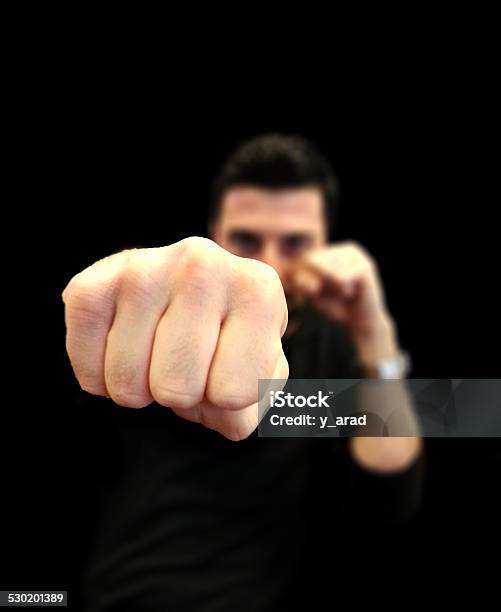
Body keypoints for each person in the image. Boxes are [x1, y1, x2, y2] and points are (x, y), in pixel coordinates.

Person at [63, 134, 423, 611]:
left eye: (295, 243)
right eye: (246, 240)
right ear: (213, 231)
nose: (270, 263)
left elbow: (393, 495)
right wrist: (125, 288)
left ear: (325, 243)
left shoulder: (334, 344)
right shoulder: (166, 310)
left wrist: (374, 332)